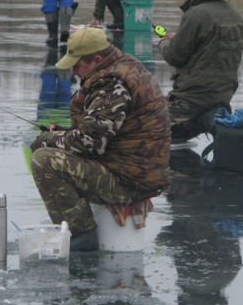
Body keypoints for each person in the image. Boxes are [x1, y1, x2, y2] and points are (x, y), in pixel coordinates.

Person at [30, 27, 171, 251]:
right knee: (54, 148)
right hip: (135, 169)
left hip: (128, 179)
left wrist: (48, 138)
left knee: (44, 160)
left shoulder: (111, 84)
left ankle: (81, 234)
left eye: (77, 65)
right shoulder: (126, 67)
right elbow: (101, 131)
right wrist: (64, 133)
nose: (74, 71)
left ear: (96, 59)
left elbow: (90, 143)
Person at [157, 0, 243, 142]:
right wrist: (180, 37)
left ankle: (203, 122)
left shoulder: (196, 14)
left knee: (147, 125)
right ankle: (212, 117)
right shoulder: (234, 14)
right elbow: (210, 48)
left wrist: (164, 42)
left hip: (193, 96)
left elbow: (175, 56)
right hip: (223, 93)